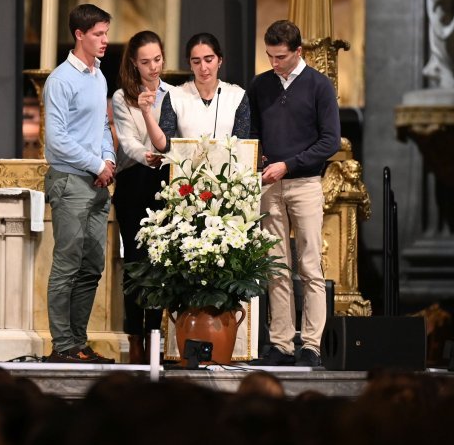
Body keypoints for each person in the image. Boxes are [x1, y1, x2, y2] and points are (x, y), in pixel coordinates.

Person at [248, 20, 341, 367]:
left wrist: (288, 165)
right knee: (276, 266)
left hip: (304, 184)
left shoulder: (319, 86)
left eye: (281, 57)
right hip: (269, 185)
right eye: (270, 56)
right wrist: (261, 163)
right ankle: (282, 344)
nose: (274, 63)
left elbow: (330, 141)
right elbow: (252, 131)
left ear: (298, 52)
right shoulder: (260, 85)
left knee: (310, 265)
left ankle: (311, 345)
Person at [42, 3, 116, 364]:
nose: (105, 40)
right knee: (67, 263)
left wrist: (109, 159)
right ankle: (62, 344)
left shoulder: (98, 75)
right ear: (79, 35)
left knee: (91, 266)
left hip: (97, 182)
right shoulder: (61, 80)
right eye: (99, 34)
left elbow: (102, 125)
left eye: (106, 33)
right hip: (71, 181)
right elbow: (56, 140)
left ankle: (78, 341)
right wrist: (96, 164)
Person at [110, 30, 173, 363]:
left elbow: (177, 137)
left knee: (161, 264)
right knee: (136, 264)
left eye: (158, 60)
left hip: (165, 183)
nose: (153, 67)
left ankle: (155, 337)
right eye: (146, 62)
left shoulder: (174, 94)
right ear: (134, 63)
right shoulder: (123, 97)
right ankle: (135, 338)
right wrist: (145, 155)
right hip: (134, 182)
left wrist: (164, 155)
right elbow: (128, 139)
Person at [139, 32, 251, 153]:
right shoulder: (175, 96)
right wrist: (146, 113)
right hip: (186, 170)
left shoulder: (237, 96)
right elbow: (164, 146)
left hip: (226, 171)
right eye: (196, 62)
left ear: (220, 60)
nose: (203, 68)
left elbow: (242, 146)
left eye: (208, 60)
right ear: (190, 65)